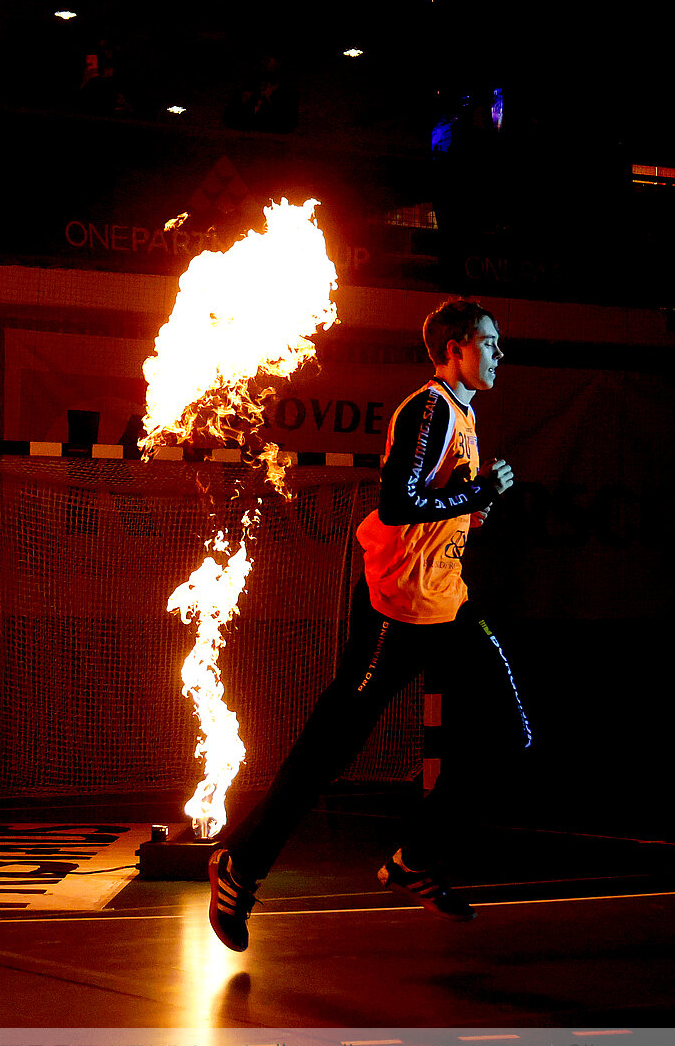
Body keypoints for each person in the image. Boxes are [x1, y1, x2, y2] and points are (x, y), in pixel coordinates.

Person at [207, 299, 532, 951]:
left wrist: (468, 516)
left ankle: (415, 857)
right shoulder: (431, 407)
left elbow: (435, 506)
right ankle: (241, 865)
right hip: (397, 609)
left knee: (508, 731)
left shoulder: (464, 413)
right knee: (330, 751)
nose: (499, 354)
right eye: (490, 343)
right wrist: (477, 496)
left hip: (448, 602)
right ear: (455, 347)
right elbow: (397, 500)